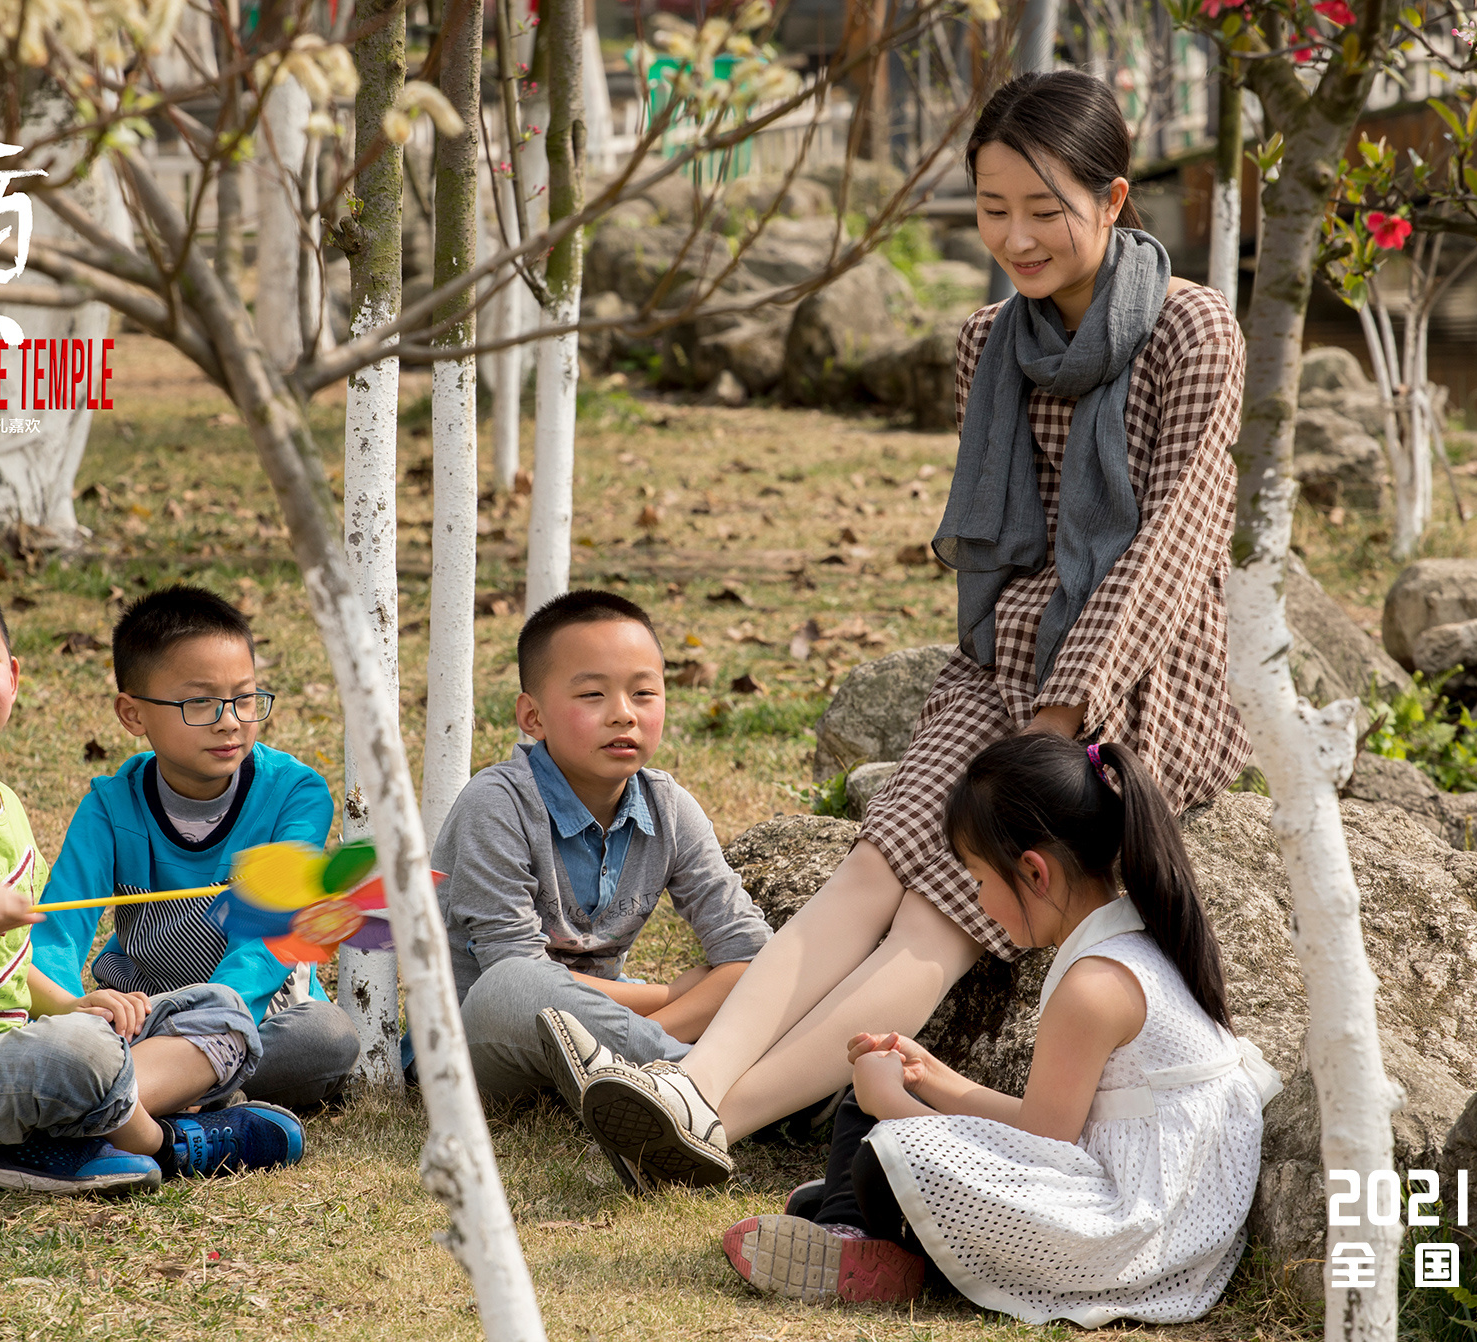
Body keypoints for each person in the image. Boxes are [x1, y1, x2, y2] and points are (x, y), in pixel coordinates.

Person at [565, 69, 1251, 1188]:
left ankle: (715, 1120)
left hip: (1135, 676)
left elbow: (1166, 547)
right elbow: (996, 548)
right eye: (992, 209)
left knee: (938, 910)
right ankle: (684, 1090)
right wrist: (1009, 694)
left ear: (1114, 198)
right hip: (994, 660)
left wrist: (1059, 717)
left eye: (1045, 209)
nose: (1016, 237)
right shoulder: (986, 342)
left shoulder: (1189, 331)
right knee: (873, 866)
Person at [723, 734, 1280, 1321]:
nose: (980, 900)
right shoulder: (1139, 938)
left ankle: (861, 1224)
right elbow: (1048, 1128)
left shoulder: (1093, 987)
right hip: (1127, 1194)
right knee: (870, 1111)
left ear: (1034, 872)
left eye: (980, 879)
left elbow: (1042, 1151)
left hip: (1133, 1236)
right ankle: (855, 1220)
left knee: (886, 1142)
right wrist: (929, 1077)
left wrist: (893, 1103)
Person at [0, 562, 304, 1196]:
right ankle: (165, 1143)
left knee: (220, 1010)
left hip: (11, 1051)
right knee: (78, 1053)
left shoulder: (4, 806)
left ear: (12, 675)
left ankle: (60, 1134)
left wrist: (73, 1003)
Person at [431, 591, 772, 1161]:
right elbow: (514, 971)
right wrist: (667, 994)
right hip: (490, 1039)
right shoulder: (496, 804)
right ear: (532, 716)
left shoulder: (668, 807)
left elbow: (749, 954)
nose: (624, 713)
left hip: (608, 1042)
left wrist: (650, 1019)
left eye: (644, 692)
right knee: (516, 983)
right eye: (592, 694)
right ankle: (719, 1086)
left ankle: (646, 1082)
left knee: (772, 971)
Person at [29, 585, 363, 1110]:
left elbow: (267, 943)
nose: (230, 720)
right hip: (141, 1015)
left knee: (327, 1038)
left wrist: (209, 1024)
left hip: (253, 1020)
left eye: (245, 698)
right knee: (54, 1041)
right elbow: (56, 931)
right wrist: (72, 1011)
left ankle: (136, 1097)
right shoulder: (110, 807)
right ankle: (176, 1101)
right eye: (200, 702)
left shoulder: (294, 795)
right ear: (133, 714)